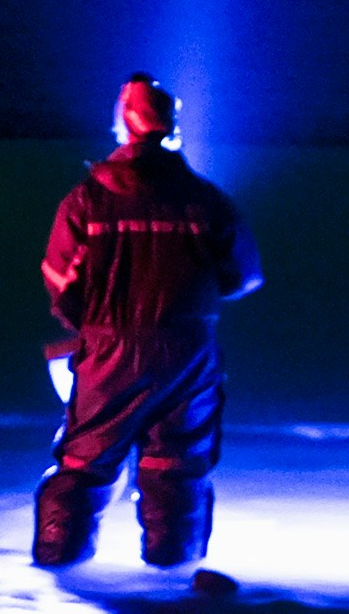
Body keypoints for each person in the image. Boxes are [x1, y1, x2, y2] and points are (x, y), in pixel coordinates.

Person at [31, 77, 259, 572]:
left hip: (110, 349)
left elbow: (58, 278)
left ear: (122, 124)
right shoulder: (207, 202)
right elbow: (243, 277)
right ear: (172, 125)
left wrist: (93, 327)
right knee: (177, 466)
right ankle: (173, 586)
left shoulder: (87, 201)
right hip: (187, 350)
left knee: (84, 462)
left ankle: (60, 565)